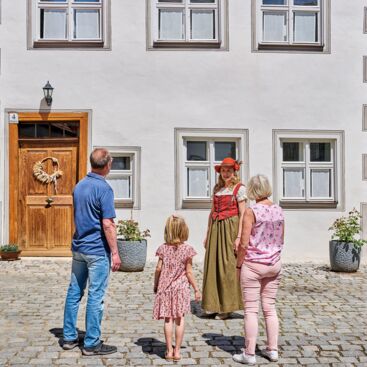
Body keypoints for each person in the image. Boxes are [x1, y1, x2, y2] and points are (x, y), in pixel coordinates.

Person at [62, 148, 121, 356]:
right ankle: (91, 343)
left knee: (74, 292)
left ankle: (69, 337)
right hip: (97, 250)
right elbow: (107, 224)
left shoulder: (79, 186)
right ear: (107, 165)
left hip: (79, 247)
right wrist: (115, 252)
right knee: (96, 296)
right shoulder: (104, 189)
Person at [233, 174, 284, 365]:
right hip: (273, 264)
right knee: (270, 309)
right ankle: (272, 350)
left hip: (254, 264)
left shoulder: (250, 211)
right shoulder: (279, 210)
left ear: (253, 191)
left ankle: (249, 353)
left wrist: (239, 265)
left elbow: (244, 244)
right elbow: (281, 239)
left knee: (251, 311)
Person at [201, 157, 247, 319]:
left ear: (234, 171)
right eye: (223, 170)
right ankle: (214, 304)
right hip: (215, 228)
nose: (226, 173)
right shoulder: (217, 189)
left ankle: (227, 307)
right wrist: (207, 234)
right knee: (213, 265)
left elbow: (243, 214)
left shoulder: (239, 189)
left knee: (227, 266)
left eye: (229, 170)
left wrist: (239, 236)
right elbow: (211, 212)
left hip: (230, 228)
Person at [153, 215, 201, 361]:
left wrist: (156, 284)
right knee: (179, 319)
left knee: (168, 320)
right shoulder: (188, 250)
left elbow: (158, 269)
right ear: (184, 231)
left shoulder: (162, 248)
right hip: (181, 289)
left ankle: (168, 351)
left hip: (165, 289)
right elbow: (189, 272)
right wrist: (196, 289)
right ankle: (178, 351)